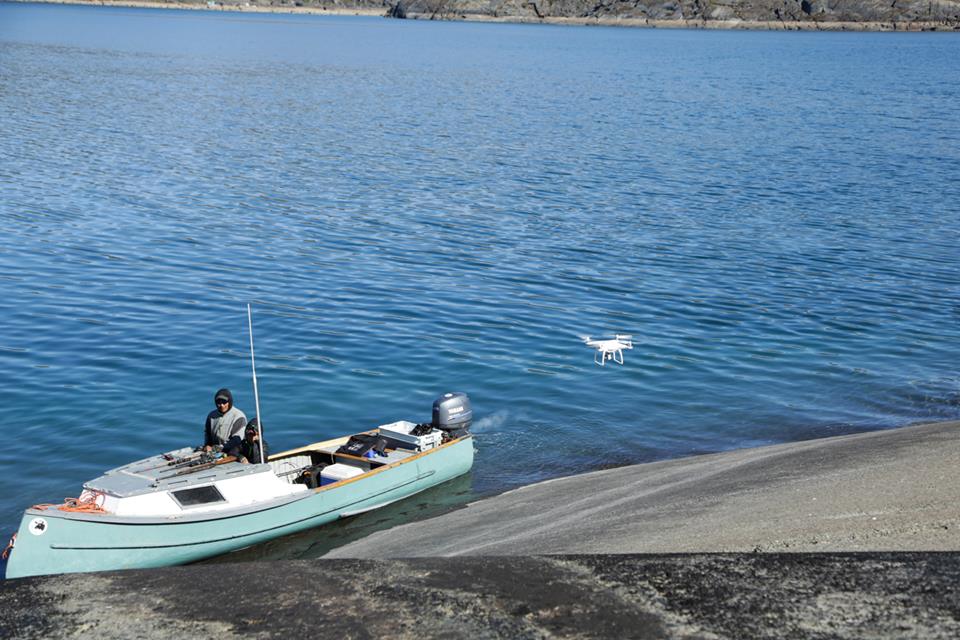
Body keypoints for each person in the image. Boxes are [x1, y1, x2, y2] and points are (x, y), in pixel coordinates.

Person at [203, 388, 247, 452]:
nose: (222, 405)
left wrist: (221, 448)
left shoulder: (239, 416)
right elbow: (208, 434)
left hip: (234, 451)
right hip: (215, 450)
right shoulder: (211, 416)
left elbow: (237, 439)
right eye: (218, 403)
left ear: (229, 401)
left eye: (224, 402)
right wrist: (207, 446)